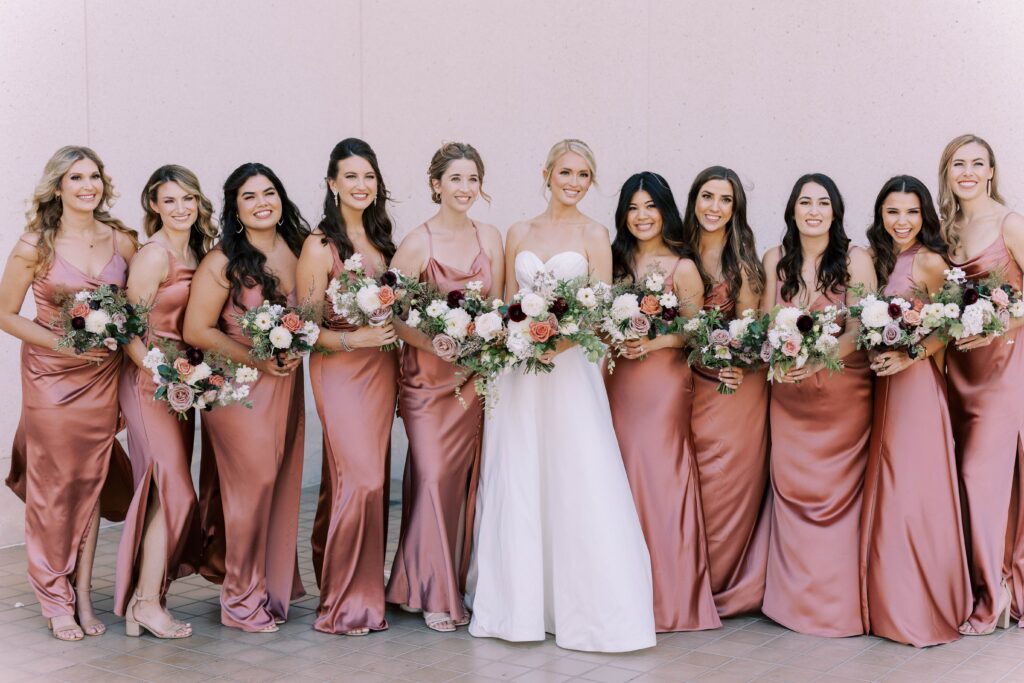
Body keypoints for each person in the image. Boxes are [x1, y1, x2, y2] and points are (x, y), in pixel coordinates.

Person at [467, 139, 656, 652]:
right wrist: (516, 340)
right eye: (566, 172)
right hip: (519, 372)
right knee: (522, 473)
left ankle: (588, 607)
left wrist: (559, 343)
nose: (573, 182)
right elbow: (507, 301)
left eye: (584, 175)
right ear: (546, 172)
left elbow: (599, 306)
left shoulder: (595, 233)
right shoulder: (518, 232)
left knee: (577, 472)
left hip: (569, 370)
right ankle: (520, 606)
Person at [0, 146, 138, 640]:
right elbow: (5, 313)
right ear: (57, 187)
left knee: (92, 481)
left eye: (94, 176)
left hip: (103, 376)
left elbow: (138, 306)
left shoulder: (122, 241)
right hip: (52, 377)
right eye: (76, 177)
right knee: (55, 488)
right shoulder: (35, 245)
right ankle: (54, 597)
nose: (87, 185)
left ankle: (81, 590)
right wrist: (64, 343)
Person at [183, 162, 308, 632]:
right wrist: (258, 360)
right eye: (250, 196)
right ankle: (238, 601)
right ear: (235, 208)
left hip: (285, 386)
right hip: (237, 392)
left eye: (269, 192)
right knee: (249, 493)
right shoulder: (222, 262)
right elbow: (196, 329)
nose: (262, 203)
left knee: (279, 488)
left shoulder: (297, 250)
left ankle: (269, 592)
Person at [386, 142, 504, 632]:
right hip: (427, 381)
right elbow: (390, 313)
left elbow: (498, 304)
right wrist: (436, 343)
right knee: (434, 476)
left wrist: (487, 338)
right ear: (436, 184)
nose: (465, 188)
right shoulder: (417, 243)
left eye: (472, 179)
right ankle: (433, 592)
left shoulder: (490, 236)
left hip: (473, 379)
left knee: (460, 484)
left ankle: (430, 581)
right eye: (455, 179)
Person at [604, 171, 720, 633]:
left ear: (665, 210)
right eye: (633, 207)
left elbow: (697, 330)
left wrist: (652, 344)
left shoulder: (682, 267)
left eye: (650, 206)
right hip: (618, 380)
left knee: (660, 476)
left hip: (663, 383)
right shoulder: (613, 264)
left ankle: (669, 598)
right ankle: (620, 589)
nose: (641, 216)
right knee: (619, 475)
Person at [760, 173, 875, 637]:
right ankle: (795, 603)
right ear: (792, 210)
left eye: (822, 203)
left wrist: (822, 357)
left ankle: (837, 603)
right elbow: (767, 322)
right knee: (792, 492)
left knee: (837, 496)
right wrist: (780, 353)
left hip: (842, 391)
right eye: (804, 202)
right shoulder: (775, 260)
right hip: (788, 393)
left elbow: (865, 325)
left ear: (835, 212)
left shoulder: (855, 259)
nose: (813, 210)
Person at [858, 174, 970, 646]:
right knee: (888, 488)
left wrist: (912, 354)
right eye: (892, 212)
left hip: (918, 388)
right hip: (883, 387)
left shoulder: (928, 260)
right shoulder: (880, 261)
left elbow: (956, 321)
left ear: (924, 215)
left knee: (912, 488)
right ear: (881, 216)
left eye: (910, 211)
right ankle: (886, 601)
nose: (901, 221)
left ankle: (918, 605)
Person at [297, 138, 399, 635]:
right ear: (333, 184)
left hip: (382, 372)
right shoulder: (321, 247)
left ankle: (353, 587)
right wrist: (353, 338)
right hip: (339, 370)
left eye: (369, 177)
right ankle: (344, 605)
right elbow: (303, 328)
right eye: (352, 177)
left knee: (353, 482)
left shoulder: (383, 241)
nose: (362, 185)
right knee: (364, 480)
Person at [114, 165, 217, 638]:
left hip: (183, 388)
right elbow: (129, 331)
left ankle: (146, 598)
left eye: (188, 199)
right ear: (154, 205)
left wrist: (192, 380)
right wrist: (164, 377)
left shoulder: (198, 250)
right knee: (178, 491)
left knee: (165, 493)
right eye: (170, 200)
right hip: (148, 385)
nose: (181, 209)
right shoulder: (154, 256)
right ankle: (146, 603)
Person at [938, 135, 1024, 635]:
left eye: (977, 163)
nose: (967, 172)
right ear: (947, 172)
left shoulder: (1010, 223)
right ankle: (990, 582)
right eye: (958, 164)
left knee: (980, 479)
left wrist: (996, 324)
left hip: (1003, 371)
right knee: (972, 482)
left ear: (991, 171)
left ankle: (994, 596)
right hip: (958, 373)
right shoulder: (947, 231)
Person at [680, 166, 770, 616]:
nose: (714, 207)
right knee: (683, 480)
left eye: (725, 199)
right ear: (694, 200)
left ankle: (713, 583)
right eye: (707, 197)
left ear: (736, 208)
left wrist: (739, 364)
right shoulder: (675, 253)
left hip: (732, 386)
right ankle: (680, 575)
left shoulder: (745, 263)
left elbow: (750, 329)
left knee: (722, 483)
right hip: (680, 382)